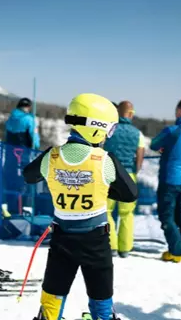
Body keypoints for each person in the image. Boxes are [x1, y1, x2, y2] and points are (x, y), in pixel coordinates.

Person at [23, 93, 137, 320]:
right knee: (100, 293)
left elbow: (29, 175)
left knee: (54, 291)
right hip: (95, 241)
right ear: (96, 128)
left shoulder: (52, 156)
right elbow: (130, 193)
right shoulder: (104, 159)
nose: (107, 136)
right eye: (108, 129)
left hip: (62, 238)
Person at [150, 98, 181, 263]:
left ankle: (176, 251)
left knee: (166, 216)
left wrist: (164, 148)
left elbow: (154, 144)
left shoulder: (172, 131)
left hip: (169, 178)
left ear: (179, 112)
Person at [103, 100, 145, 258]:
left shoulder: (110, 129)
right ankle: (125, 248)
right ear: (131, 114)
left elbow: (101, 147)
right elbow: (140, 156)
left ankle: (111, 245)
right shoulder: (137, 133)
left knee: (106, 211)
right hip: (129, 174)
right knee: (127, 213)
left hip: (109, 173)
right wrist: (135, 171)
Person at [4, 97, 40, 214]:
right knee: (22, 181)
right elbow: (34, 138)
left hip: (9, 154)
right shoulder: (29, 119)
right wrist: (36, 149)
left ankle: (11, 208)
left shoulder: (11, 118)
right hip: (22, 154)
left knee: (11, 180)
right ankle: (20, 209)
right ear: (28, 107)